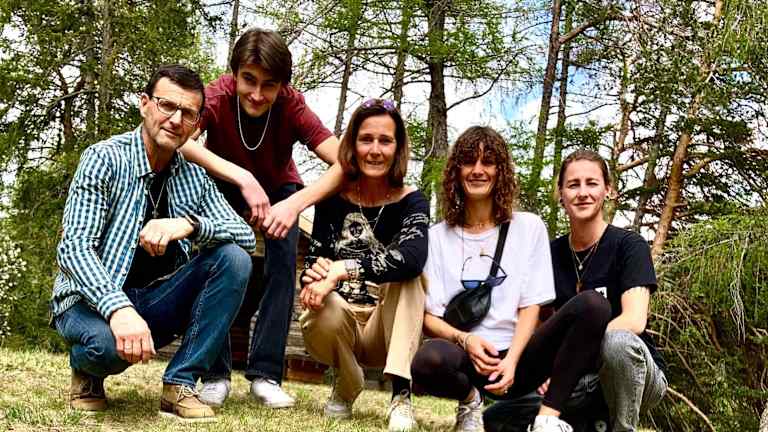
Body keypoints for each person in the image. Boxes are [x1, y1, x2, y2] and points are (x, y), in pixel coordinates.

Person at [51, 65, 257, 422]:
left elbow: (245, 234)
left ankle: (180, 382)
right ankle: (86, 370)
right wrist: (118, 308)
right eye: (167, 106)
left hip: (153, 301)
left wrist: (188, 225)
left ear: (196, 123)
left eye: (188, 113)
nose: (176, 120)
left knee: (235, 258)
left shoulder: (194, 177)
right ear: (145, 104)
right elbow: (74, 249)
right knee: (106, 349)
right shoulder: (104, 158)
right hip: (87, 302)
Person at [180, 28, 343, 408]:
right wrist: (243, 177)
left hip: (280, 189)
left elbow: (343, 161)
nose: (256, 94)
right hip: (224, 184)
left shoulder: (292, 105)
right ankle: (215, 375)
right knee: (216, 261)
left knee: (283, 263)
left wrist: (294, 205)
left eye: (268, 85)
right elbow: (181, 141)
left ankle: (266, 375)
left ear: (282, 85)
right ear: (235, 73)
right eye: (248, 80)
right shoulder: (216, 96)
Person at [411, 127, 612, 432]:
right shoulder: (437, 237)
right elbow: (429, 318)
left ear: (501, 171)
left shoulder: (528, 227)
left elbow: (531, 305)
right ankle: (470, 402)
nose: (478, 170)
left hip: (521, 356)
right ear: (456, 171)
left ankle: (547, 419)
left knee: (593, 305)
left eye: (488, 162)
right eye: (469, 161)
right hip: (467, 356)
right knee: (427, 360)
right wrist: (465, 340)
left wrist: (513, 360)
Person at [484, 149, 668, 432]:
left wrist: (568, 361)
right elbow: (540, 324)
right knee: (497, 418)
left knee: (617, 343)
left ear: (608, 190)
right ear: (561, 194)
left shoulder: (629, 245)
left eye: (591, 183)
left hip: (634, 373)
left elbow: (634, 321)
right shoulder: (548, 254)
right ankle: (584, 422)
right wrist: (549, 369)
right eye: (573, 185)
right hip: (576, 377)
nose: (583, 193)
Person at [298, 99, 429, 431]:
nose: (375, 150)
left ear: (398, 148)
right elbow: (314, 261)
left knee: (411, 278)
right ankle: (347, 382)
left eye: (385, 141)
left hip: (385, 326)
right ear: (352, 145)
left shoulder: (412, 201)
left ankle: (401, 394)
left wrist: (342, 268)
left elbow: (412, 258)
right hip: (341, 323)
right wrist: (312, 277)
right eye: (366, 139)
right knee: (321, 296)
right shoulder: (332, 200)